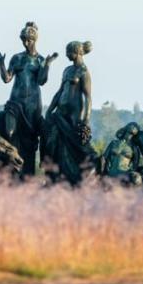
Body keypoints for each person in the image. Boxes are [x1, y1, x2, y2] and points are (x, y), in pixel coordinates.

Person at [0, 22, 57, 178]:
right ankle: (9, 167)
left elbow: (42, 80)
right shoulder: (17, 58)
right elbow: (7, 78)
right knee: (9, 132)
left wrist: (47, 65)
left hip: (33, 105)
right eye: (23, 40)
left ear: (34, 40)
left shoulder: (41, 60)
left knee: (33, 138)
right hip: (15, 102)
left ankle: (31, 173)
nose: (25, 43)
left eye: (28, 40)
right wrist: (1, 62)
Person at [41, 40, 98, 185]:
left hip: (75, 114)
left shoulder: (84, 71)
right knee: (53, 142)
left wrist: (85, 119)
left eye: (69, 52)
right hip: (60, 113)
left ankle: (89, 169)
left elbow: (87, 97)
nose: (67, 54)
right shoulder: (67, 70)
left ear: (77, 52)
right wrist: (49, 109)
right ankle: (55, 175)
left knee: (78, 144)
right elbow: (60, 91)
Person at [101, 122, 143, 187]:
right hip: (111, 173)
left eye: (132, 134)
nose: (129, 135)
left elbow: (135, 165)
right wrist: (103, 172)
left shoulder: (134, 147)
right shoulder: (114, 143)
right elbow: (104, 158)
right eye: (129, 132)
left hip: (124, 174)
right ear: (125, 130)